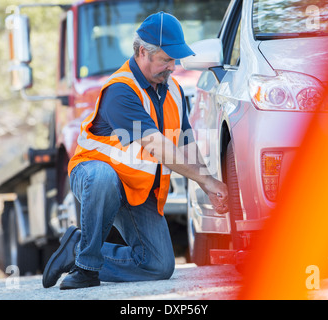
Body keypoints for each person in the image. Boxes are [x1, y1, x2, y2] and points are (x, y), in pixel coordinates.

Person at [42, 12, 228, 290]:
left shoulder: (174, 90)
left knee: (158, 265)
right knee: (104, 177)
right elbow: (157, 145)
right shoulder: (121, 90)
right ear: (143, 52)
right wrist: (207, 180)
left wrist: (208, 185)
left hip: (138, 189)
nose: (173, 66)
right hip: (95, 177)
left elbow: (186, 143)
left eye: (175, 60)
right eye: (166, 59)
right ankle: (86, 267)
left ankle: (77, 248)